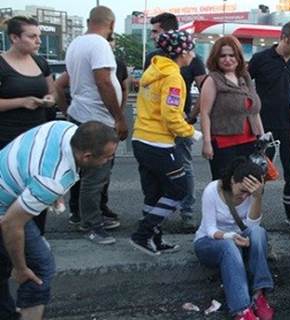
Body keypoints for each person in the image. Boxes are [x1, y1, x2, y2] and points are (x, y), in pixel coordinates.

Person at [0, 120, 119, 320]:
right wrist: (20, 268)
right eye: (107, 157)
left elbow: (46, 159)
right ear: (87, 156)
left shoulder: (64, 128)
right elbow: (11, 224)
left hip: (8, 178)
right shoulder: (51, 182)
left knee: (6, 261)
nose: (109, 160)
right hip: (6, 207)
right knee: (39, 267)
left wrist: (54, 192)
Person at [130, 30, 201, 255]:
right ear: (182, 52)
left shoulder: (154, 70)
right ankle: (143, 233)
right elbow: (171, 116)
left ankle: (154, 239)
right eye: (192, 49)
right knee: (179, 190)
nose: (194, 55)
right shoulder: (173, 77)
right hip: (159, 143)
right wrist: (191, 132)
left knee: (154, 192)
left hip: (140, 138)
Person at [62, 6, 127, 245]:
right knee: (95, 176)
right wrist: (119, 118)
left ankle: (80, 214)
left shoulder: (76, 44)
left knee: (82, 173)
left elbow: (63, 84)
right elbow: (104, 82)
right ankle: (92, 224)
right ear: (111, 24)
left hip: (80, 115)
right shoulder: (100, 45)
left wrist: (66, 109)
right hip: (97, 120)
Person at [145, 12, 207, 229]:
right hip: (162, 128)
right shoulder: (156, 60)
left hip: (173, 125)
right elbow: (153, 95)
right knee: (163, 175)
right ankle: (152, 220)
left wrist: (191, 117)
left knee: (184, 168)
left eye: (156, 31)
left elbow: (204, 87)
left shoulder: (187, 59)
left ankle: (184, 212)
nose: (153, 36)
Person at [194, 158, 274, 320]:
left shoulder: (252, 193)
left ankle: (259, 295)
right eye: (242, 190)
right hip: (210, 243)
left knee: (258, 232)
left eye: (249, 193)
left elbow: (252, 227)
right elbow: (210, 230)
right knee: (228, 246)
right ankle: (241, 310)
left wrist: (257, 197)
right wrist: (231, 236)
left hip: (240, 242)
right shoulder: (212, 190)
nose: (244, 196)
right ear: (232, 181)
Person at [248, 20, 290, 231]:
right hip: (265, 128)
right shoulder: (260, 59)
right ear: (283, 37)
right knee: (259, 172)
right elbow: (245, 84)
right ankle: (250, 214)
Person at [0, 16, 57, 237]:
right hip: (7, 138)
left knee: (36, 189)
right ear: (14, 38)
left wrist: (49, 99)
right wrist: (22, 102)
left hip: (36, 138)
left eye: (39, 36)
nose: (38, 41)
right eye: (32, 36)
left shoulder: (40, 62)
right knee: (10, 193)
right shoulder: (2, 65)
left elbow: (51, 91)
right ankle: (11, 243)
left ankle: (36, 238)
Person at [200, 36, 264, 180]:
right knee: (225, 187)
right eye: (223, 56)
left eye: (232, 55)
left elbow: (254, 111)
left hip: (250, 142)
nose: (227, 59)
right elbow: (205, 113)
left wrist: (262, 138)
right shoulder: (212, 80)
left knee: (249, 186)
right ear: (216, 58)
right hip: (224, 145)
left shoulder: (245, 77)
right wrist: (207, 143)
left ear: (239, 57)